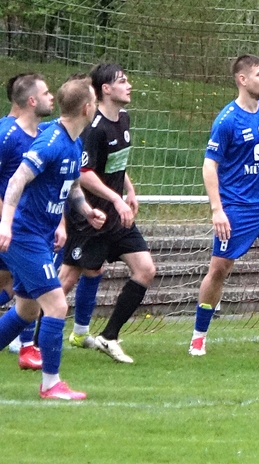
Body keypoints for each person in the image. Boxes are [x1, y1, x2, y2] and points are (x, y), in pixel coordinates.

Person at [188, 55, 259, 357]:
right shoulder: (227, 120)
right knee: (219, 269)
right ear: (242, 79)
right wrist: (217, 209)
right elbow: (209, 166)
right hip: (238, 206)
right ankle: (199, 336)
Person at [0, 76, 106, 399]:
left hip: (42, 234)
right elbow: (17, 180)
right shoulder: (51, 142)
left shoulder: (74, 142)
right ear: (87, 108)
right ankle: (50, 384)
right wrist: (6, 224)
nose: (96, 107)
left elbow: (71, 186)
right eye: (95, 102)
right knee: (56, 305)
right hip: (25, 235)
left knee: (27, 311)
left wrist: (86, 210)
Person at [59, 63, 156, 364]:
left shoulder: (123, 118)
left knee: (145, 270)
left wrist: (129, 191)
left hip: (116, 216)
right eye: (122, 81)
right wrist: (116, 199)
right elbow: (83, 173)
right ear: (106, 89)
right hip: (89, 216)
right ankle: (31, 340)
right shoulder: (95, 127)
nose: (129, 85)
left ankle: (109, 336)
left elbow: (116, 163)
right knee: (65, 280)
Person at [0, 74, 55, 369]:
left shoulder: (44, 135)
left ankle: (26, 348)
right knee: (33, 296)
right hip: (10, 228)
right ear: (31, 100)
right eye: (46, 93)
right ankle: (30, 352)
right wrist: (5, 221)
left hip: (27, 228)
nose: (52, 97)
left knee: (24, 297)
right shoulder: (7, 135)